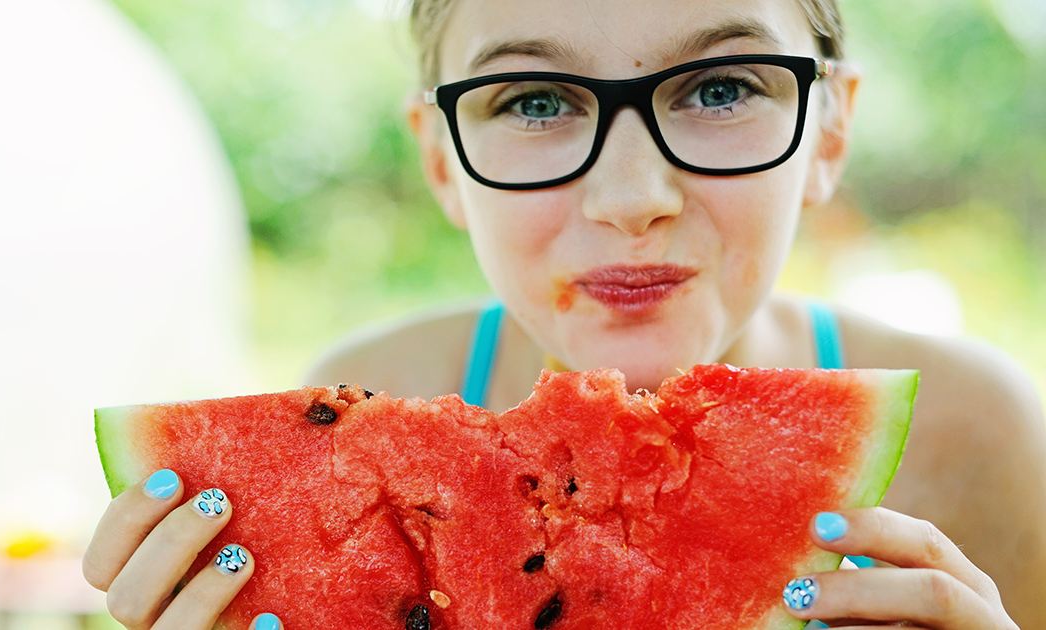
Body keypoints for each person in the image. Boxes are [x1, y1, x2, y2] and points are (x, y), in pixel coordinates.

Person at [83, 0, 1046, 628]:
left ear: (829, 129)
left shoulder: (984, 436)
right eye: (537, 101)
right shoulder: (350, 414)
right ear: (441, 161)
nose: (630, 196)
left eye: (721, 88)